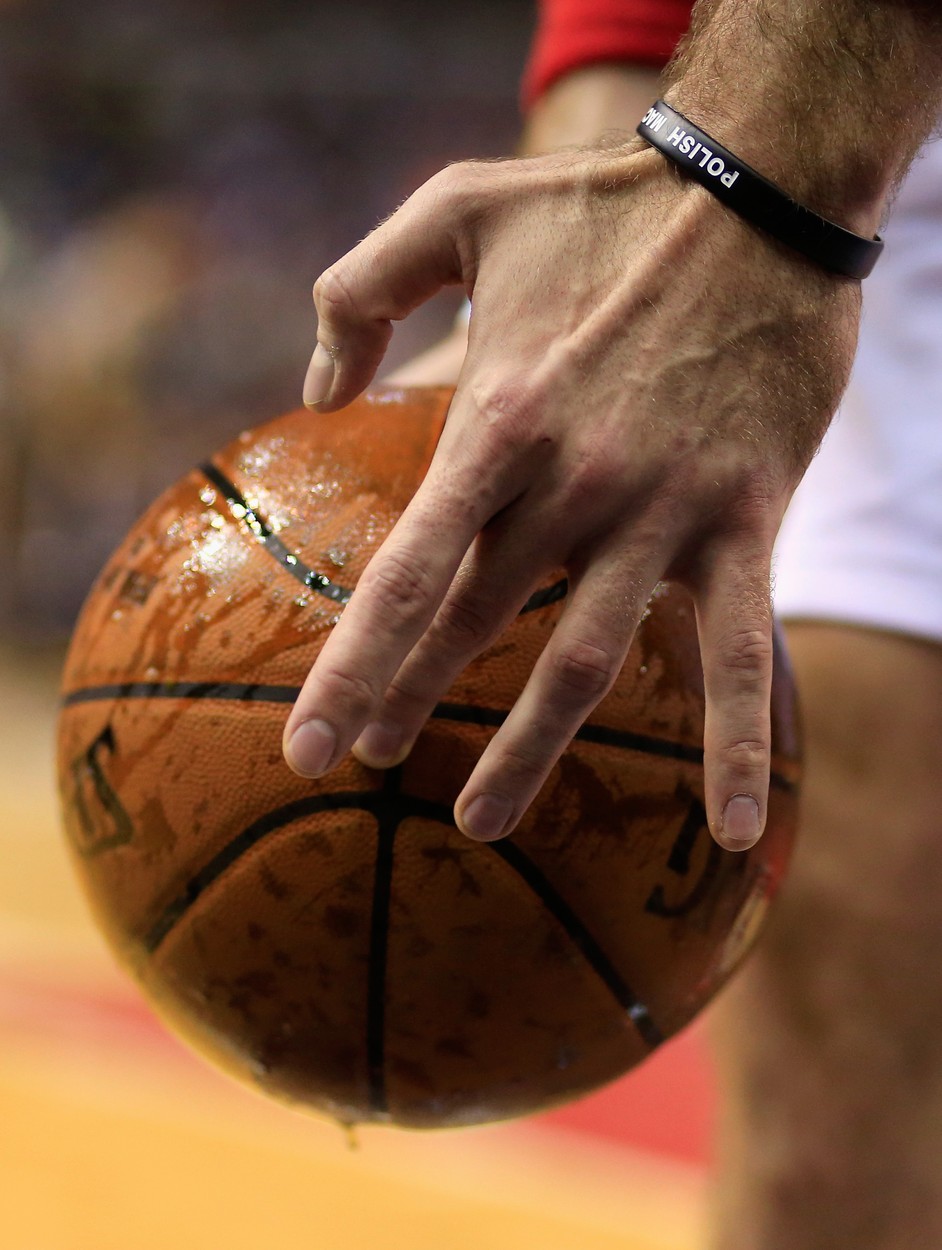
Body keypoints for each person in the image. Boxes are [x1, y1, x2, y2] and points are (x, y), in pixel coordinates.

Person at [285, 2, 942, 1244]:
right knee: (825, 1150)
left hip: (807, 137)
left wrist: (749, 196)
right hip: (806, 116)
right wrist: (590, 217)